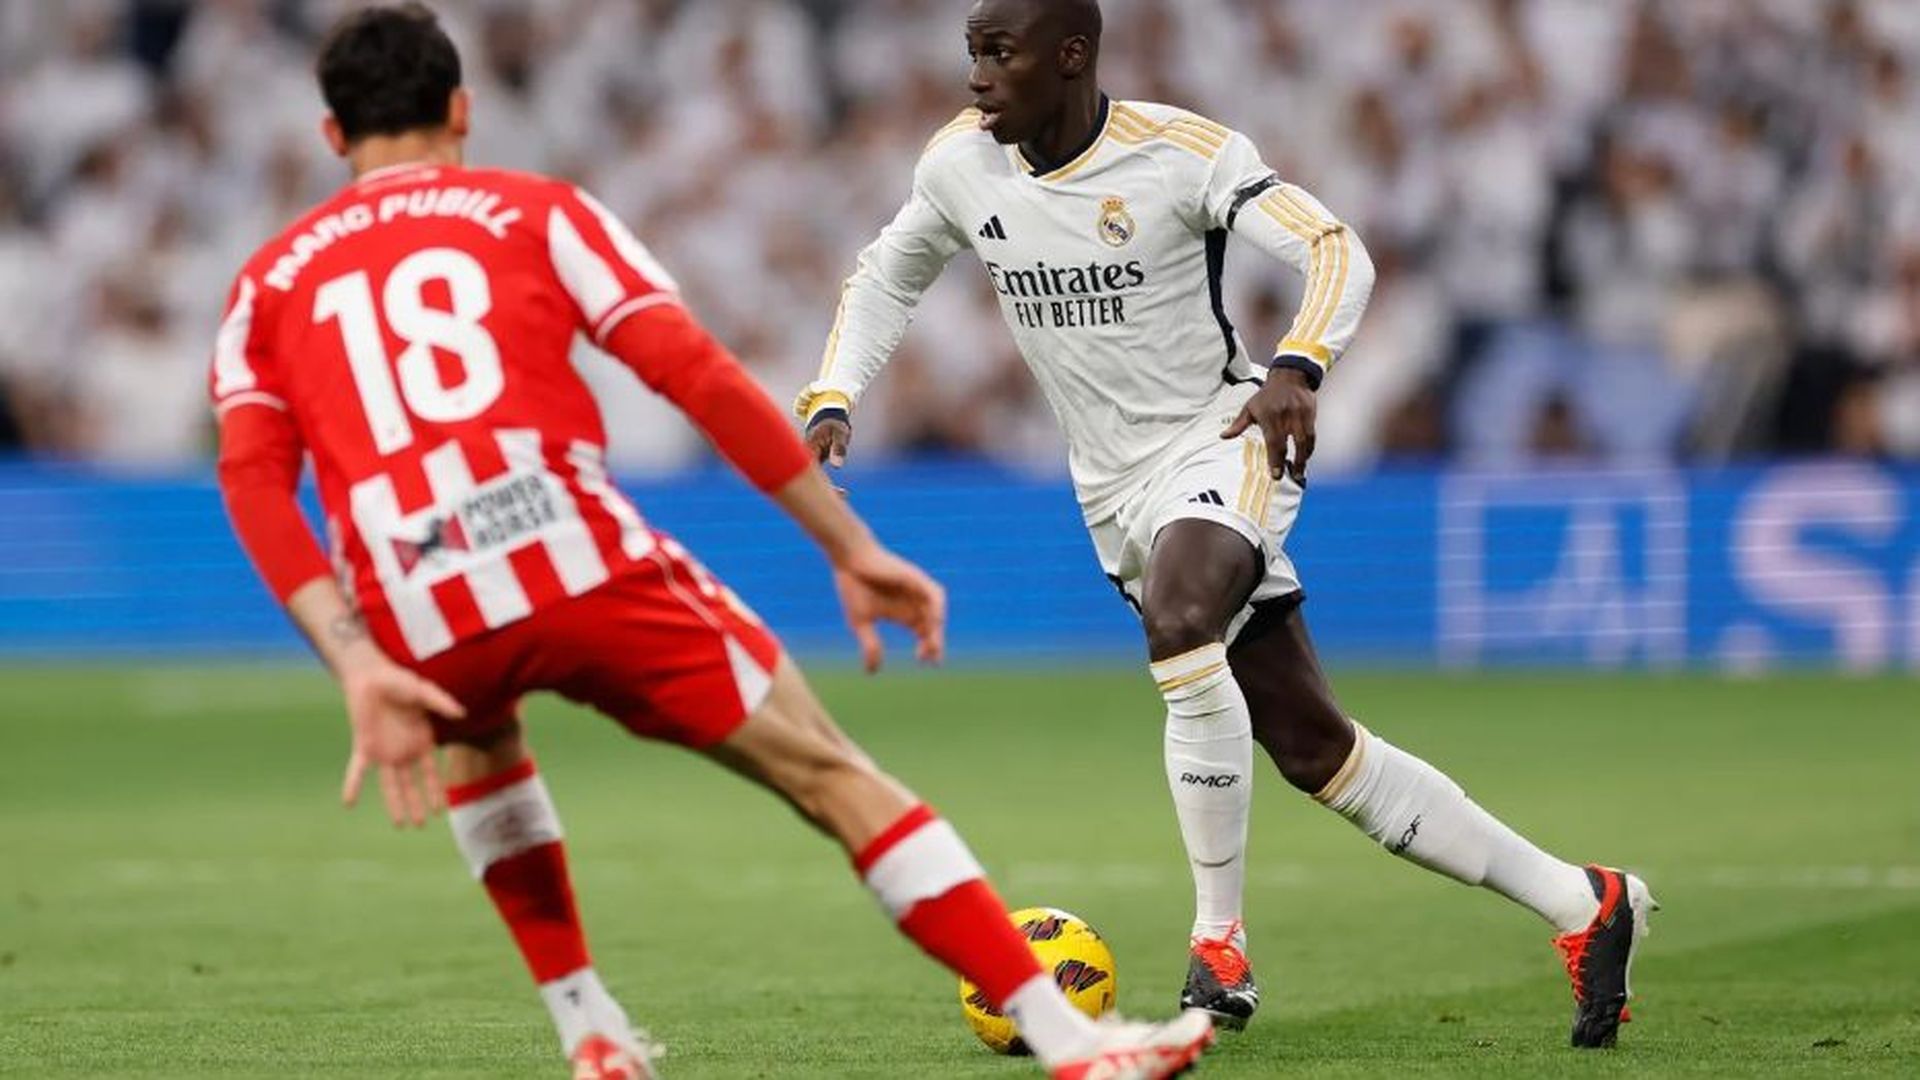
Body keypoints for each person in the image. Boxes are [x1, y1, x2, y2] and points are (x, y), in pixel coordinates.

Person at [208, 5, 1215, 1078]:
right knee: (829, 770)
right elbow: (692, 373)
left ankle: (588, 1026)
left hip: (416, 605)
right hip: (572, 556)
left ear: (331, 136)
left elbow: (253, 481)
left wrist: (356, 657)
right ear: (461, 110)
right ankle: (1071, 1042)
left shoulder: (265, 283)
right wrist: (848, 545)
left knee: (482, 744)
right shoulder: (537, 213)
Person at [796, 0, 1655, 1049]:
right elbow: (890, 272)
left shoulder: (1180, 154)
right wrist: (834, 390)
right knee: (1314, 751)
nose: (975, 77)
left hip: (1227, 437)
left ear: (1070, 56)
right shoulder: (961, 166)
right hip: (1112, 491)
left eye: (998, 52)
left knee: (1181, 613)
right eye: (971, 51)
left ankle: (1219, 945)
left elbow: (1336, 249)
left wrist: (1298, 366)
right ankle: (1585, 903)